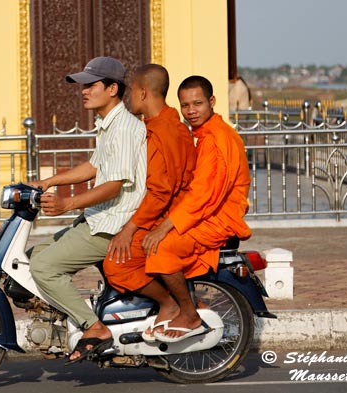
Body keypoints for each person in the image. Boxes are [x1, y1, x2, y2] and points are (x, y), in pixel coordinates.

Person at [28, 56, 147, 364]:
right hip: (99, 218)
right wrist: (48, 181)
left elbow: (114, 186)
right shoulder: (108, 124)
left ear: (112, 89)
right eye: (82, 85)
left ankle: (94, 328)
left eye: (90, 85)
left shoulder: (123, 127)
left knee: (44, 268)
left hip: (112, 225)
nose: (83, 91)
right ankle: (61, 314)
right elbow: (94, 167)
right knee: (34, 257)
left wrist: (67, 203)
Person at [134, 75, 252, 343]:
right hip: (206, 213)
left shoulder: (217, 139)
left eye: (197, 103)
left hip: (218, 219)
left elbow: (203, 196)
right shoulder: (204, 134)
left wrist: (165, 226)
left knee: (160, 247)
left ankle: (188, 311)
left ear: (211, 102)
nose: (191, 111)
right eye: (185, 105)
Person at [103, 64, 196, 342]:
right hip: (161, 211)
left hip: (166, 216)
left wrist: (129, 229)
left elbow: (159, 193)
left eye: (130, 91)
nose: (127, 97)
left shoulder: (162, 133)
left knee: (117, 265)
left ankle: (172, 304)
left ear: (143, 92)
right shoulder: (165, 124)